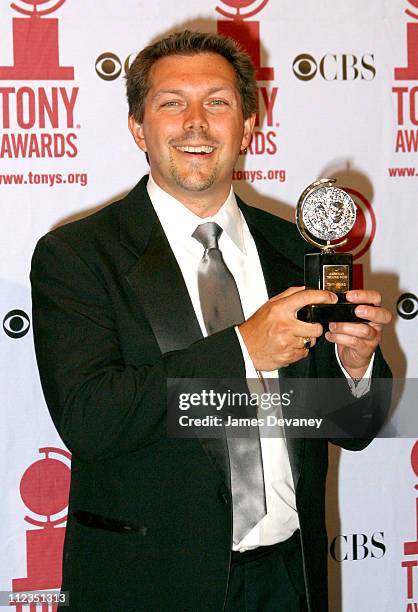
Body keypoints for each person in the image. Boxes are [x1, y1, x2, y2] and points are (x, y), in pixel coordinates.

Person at [31, 30, 392, 611]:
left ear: (248, 125)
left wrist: (355, 369)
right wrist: (244, 348)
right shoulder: (77, 255)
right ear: (137, 127)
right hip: (150, 584)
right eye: (172, 102)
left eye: (218, 102)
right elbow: (89, 417)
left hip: (288, 577)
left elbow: (353, 430)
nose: (195, 121)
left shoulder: (292, 248)